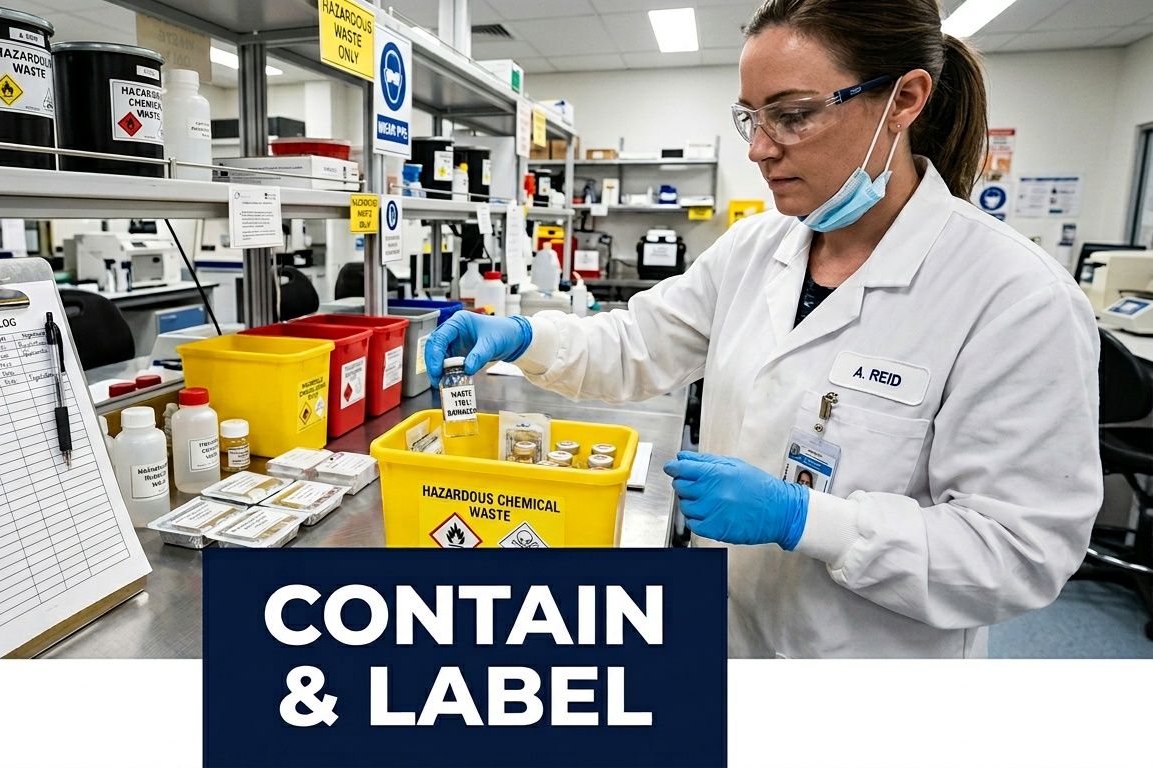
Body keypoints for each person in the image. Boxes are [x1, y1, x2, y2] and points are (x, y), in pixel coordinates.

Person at [424, 0, 1101, 658]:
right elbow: (638, 343)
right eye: (751, 116)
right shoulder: (756, 248)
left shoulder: (1016, 296)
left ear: (904, 100)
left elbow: (1018, 553)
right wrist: (521, 336)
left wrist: (806, 520)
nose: (757, 149)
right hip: (730, 636)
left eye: (794, 115)